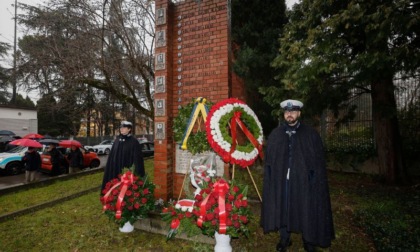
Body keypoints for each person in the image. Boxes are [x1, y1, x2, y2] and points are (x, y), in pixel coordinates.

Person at [261, 99, 335, 252]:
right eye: (287, 112)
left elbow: (317, 161)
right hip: (282, 181)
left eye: (293, 111)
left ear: (299, 113)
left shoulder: (310, 135)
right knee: (284, 206)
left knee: (306, 208)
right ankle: (285, 238)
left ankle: (308, 239)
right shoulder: (276, 135)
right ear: (284, 114)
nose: (290, 114)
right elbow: (270, 161)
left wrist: (312, 178)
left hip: (304, 182)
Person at [101, 121, 145, 191]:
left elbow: (137, 159)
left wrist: (135, 172)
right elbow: (112, 156)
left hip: (127, 171)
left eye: (124, 127)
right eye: (121, 127)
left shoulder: (134, 141)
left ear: (129, 129)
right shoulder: (117, 140)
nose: (121, 129)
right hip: (116, 170)